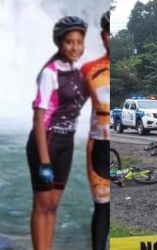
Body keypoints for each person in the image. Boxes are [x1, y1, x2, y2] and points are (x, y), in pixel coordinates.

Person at [26, 16, 88, 250]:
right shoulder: (49, 73)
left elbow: (75, 107)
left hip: (67, 144)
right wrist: (44, 162)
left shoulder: (75, 72)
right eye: (70, 42)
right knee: (41, 206)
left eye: (79, 42)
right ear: (60, 43)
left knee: (53, 205)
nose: (75, 47)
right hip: (47, 143)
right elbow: (39, 119)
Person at [81, 10, 110, 250]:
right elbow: (69, 106)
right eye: (108, 33)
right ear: (102, 36)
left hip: (116, 146)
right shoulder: (90, 69)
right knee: (102, 206)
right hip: (98, 147)